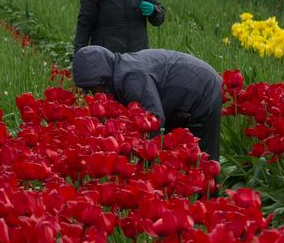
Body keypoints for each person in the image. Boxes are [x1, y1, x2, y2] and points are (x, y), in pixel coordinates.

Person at [72, 45, 223, 161]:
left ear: (102, 78)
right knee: (177, 155)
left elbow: (153, 118)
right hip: (181, 94)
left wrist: (145, 160)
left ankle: (209, 198)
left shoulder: (130, 77)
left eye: (93, 88)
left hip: (202, 91)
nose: (94, 94)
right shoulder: (118, 71)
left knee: (200, 158)